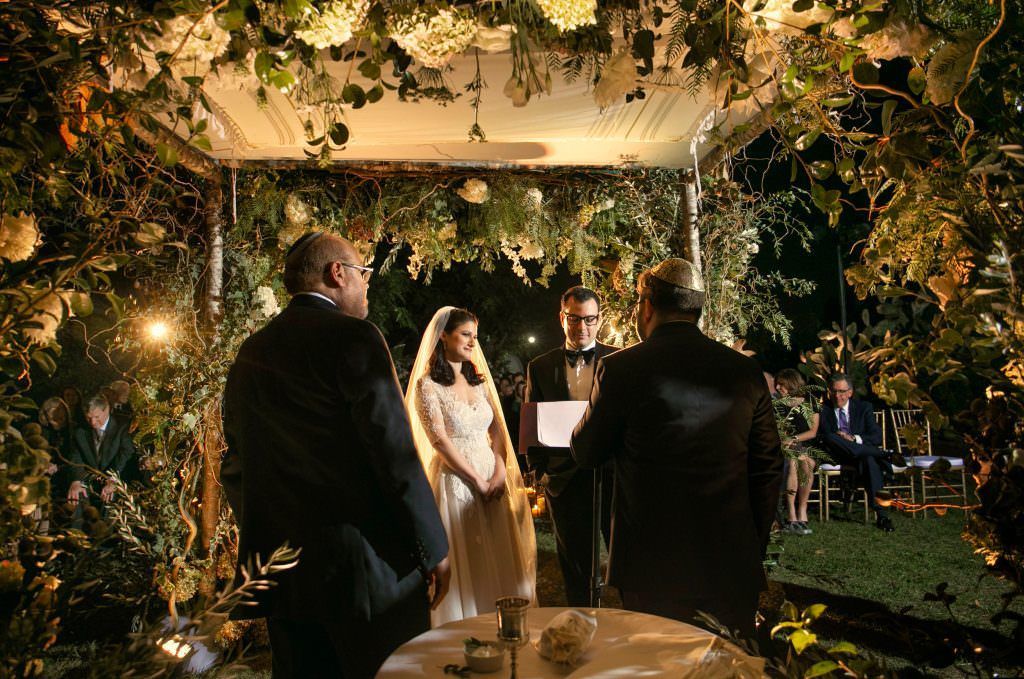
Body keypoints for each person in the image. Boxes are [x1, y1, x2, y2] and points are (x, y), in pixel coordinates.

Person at [221, 232, 450, 678]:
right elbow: (393, 452)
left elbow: (236, 461)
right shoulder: (354, 338)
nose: (368, 284)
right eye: (365, 273)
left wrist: (268, 526)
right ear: (337, 273)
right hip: (364, 568)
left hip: (284, 571)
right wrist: (432, 546)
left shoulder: (251, 351)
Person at [570, 258, 783, 638]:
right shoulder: (745, 372)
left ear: (647, 306)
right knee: (727, 664)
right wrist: (752, 543)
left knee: (657, 663)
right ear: (698, 309)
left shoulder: (621, 369)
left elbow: (586, 451)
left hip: (651, 564)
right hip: (730, 559)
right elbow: (767, 469)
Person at [406, 307, 536, 627]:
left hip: (492, 478)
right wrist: (476, 480)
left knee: (499, 555)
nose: (471, 342)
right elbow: (439, 441)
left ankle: (505, 627)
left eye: (474, 336)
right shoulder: (428, 386)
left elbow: (496, 431)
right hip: (456, 481)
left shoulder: (477, 381)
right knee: (469, 559)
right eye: (465, 335)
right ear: (444, 337)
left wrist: (499, 471)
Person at [525, 285, 616, 607]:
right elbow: (531, 424)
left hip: (611, 476)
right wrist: (539, 472)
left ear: (599, 319)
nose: (582, 327)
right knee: (574, 563)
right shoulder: (539, 365)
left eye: (590, 320)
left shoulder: (619, 360)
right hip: (563, 478)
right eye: (574, 319)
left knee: (624, 559)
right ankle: (580, 621)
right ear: (561, 318)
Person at [818, 373, 895, 532]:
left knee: (868, 460)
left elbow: (876, 436)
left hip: (859, 456)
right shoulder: (822, 409)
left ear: (850, 392)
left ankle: (882, 516)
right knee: (830, 436)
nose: (837, 395)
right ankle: (883, 454)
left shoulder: (863, 408)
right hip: (835, 454)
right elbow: (822, 437)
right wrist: (841, 439)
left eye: (841, 392)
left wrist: (853, 439)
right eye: (834, 391)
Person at [67, 395, 138, 512]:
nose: (93, 422)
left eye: (96, 417)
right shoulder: (80, 431)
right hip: (89, 480)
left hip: (116, 477)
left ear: (107, 409)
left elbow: (126, 454)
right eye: (88, 418)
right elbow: (75, 456)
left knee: (111, 501)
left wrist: (113, 479)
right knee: (76, 497)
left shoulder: (123, 427)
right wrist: (76, 480)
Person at [775, 369, 819, 536]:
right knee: (793, 462)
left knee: (806, 463)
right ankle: (792, 514)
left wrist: (792, 439)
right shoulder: (778, 405)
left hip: (806, 445)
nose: (778, 387)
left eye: (782, 384)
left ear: (792, 383)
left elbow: (813, 431)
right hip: (785, 448)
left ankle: (802, 509)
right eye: (777, 384)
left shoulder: (810, 403)